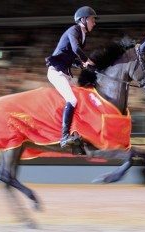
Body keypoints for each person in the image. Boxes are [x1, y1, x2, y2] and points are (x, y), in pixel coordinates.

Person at [46, 6, 97, 148]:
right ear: (83, 20)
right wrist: (86, 60)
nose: (94, 22)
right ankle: (64, 137)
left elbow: (72, 57)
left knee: (82, 97)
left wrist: (83, 65)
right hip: (56, 72)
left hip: (65, 73)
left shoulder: (83, 36)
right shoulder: (74, 30)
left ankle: (78, 133)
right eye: (92, 19)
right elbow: (75, 49)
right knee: (72, 99)